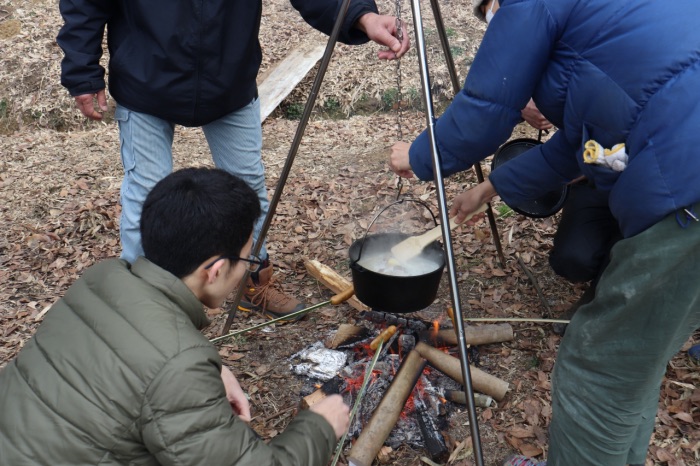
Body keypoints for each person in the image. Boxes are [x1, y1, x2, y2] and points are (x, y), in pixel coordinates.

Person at [389, 0, 700, 465]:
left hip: (686, 192)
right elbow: (580, 145)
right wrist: (490, 188)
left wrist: (418, 157)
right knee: (634, 364)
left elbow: (486, 108)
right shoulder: (615, 22)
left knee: (599, 369)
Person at [56, 1, 410, 322]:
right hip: (144, 78)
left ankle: (251, 281)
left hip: (227, 80)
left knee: (248, 185)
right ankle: (142, 305)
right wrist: (82, 71)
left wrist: (363, 16)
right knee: (145, 193)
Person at [0, 167, 351, 465]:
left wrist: (206, 373)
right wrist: (319, 428)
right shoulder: (177, 366)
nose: (246, 270)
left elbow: (130, 364)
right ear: (214, 270)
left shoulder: (100, 279)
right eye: (246, 260)